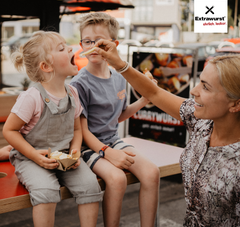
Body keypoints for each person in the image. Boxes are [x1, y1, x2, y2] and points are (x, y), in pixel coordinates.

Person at [95, 39, 240, 226]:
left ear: (235, 104)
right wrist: (119, 64)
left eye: (205, 87)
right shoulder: (202, 121)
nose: (194, 91)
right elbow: (154, 93)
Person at [2, 31, 103, 227]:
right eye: (62, 48)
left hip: (63, 156)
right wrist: (34, 155)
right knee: (47, 191)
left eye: (66, 45)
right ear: (46, 66)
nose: (71, 48)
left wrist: (75, 150)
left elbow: (76, 130)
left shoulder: (72, 92)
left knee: (90, 186)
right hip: (30, 159)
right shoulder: (32, 97)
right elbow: (9, 131)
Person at [70, 12, 160, 227]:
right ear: (81, 44)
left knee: (152, 173)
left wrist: (143, 101)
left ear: (113, 44)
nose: (93, 46)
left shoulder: (119, 78)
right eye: (87, 41)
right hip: (86, 146)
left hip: (113, 140)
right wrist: (107, 153)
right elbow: (82, 132)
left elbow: (117, 116)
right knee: (117, 179)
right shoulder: (78, 83)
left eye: (99, 41)